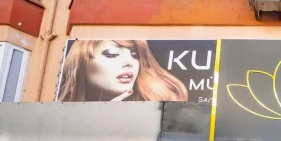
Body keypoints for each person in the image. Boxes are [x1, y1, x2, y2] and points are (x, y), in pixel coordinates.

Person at [58, 40, 188, 102]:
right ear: (81, 63)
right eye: (111, 54)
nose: (129, 62)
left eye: (135, 55)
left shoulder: (158, 106)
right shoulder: (62, 118)